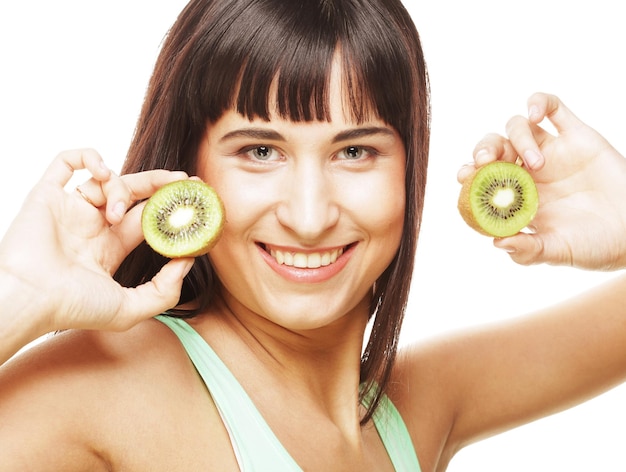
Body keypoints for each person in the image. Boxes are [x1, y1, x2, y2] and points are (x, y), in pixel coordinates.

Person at [1, 0, 626, 470]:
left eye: (354, 151)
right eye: (259, 151)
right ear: (189, 171)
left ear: (411, 166)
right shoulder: (107, 388)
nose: (309, 215)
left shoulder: (415, 409)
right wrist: (18, 295)